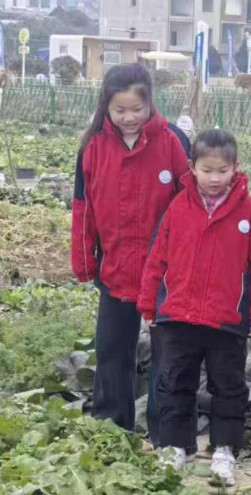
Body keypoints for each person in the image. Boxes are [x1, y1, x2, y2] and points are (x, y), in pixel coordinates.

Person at [138, 129, 251, 486]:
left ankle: (224, 450)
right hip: (178, 316)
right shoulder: (178, 208)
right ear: (192, 167)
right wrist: (149, 301)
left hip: (226, 321)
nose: (214, 179)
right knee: (174, 383)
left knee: (228, 388)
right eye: (207, 170)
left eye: (222, 171)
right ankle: (175, 448)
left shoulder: (250, 213)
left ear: (235, 167)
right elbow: (157, 257)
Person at [72, 64, 190, 438]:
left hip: (166, 274)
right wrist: (84, 259)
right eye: (119, 111)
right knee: (111, 352)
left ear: (150, 103)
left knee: (167, 357)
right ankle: (112, 430)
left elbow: (190, 205)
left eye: (136, 110)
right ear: (105, 106)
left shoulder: (172, 141)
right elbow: (83, 207)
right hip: (116, 266)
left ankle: (165, 435)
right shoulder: (92, 147)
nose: (128, 118)